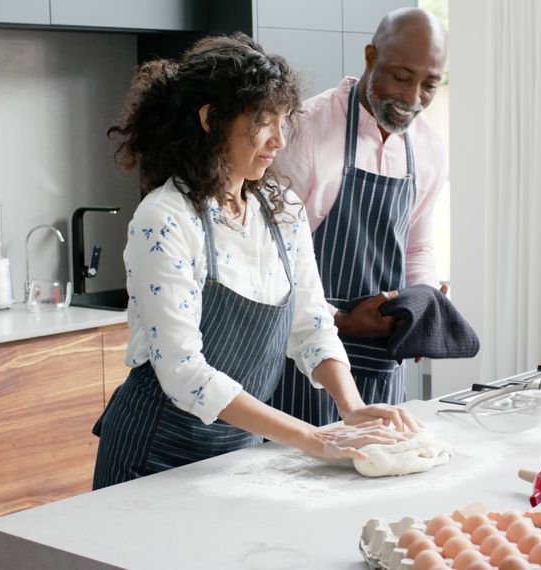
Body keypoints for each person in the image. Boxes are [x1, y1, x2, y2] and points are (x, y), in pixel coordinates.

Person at [92, 33, 421, 488]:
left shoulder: (280, 209)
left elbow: (311, 324)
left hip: (233, 456)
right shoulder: (165, 219)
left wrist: (350, 407)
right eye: (265, 122)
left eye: (285, 121)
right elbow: (185, 373)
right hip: (152, 459)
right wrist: (313, 438)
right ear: (211, 119)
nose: (280, 140)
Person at [269, 8, 450, 426]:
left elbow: (417, 246)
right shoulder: (306, 131)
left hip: (383, 364)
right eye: (401, 78)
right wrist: (342, 320)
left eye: (429, 85)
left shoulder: (429, 148)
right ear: (371, 57)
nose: (412, 98)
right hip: (299, 361)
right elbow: (272, 261)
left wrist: (421, 307)